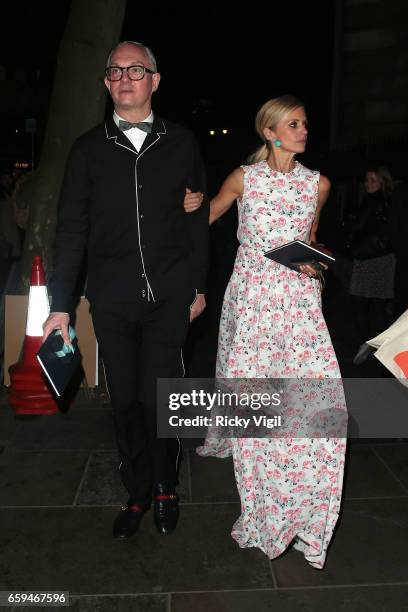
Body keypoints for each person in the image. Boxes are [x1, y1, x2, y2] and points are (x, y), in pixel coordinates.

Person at [43, 41, 209, 539]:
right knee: (126, 401)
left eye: (136, 69)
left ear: (154, 80)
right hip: (112, 297)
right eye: (115, 71)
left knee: (161, 397)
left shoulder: (181, 142)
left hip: (169, 296)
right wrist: (60, 306)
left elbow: (198, 220)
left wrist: (198, 286)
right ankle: (136, 491)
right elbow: (71, 228)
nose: (125, 78)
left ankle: (165, 487)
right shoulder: (87, 149)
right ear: (106, 84)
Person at [196, 95, 347, 569]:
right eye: (293, 123)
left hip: (300, 303)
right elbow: (206, 220)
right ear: (270, 132)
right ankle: (262, 502)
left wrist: (316, 261)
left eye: (305, 122)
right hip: (253, 299)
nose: (304, 130)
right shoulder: (246, 178)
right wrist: (180, 207)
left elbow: (312, 236)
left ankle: (306, 503)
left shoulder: (318, 184)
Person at [348, 166, 395, 365]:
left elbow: (358, 229)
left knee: (361, 304)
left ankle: (368, 343)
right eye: (367, 180)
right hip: (382, 259)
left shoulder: (375, 202)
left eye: (373, 180)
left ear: (383, 182)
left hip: (371, 260)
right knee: (377, 306)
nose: (368, 184)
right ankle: (382, 348)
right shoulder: (386, 201)